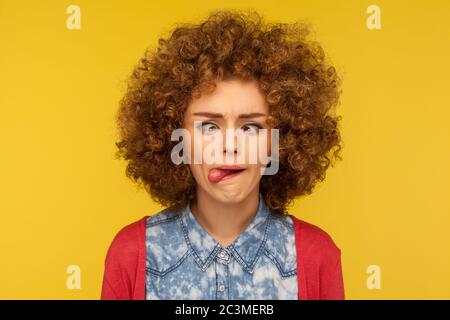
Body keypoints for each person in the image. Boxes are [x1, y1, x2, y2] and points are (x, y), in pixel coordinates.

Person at [101, 9, 344, 300]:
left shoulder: (317, 255)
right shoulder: (132, 253)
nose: (230, 145)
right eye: (209, 126)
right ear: (176, 137)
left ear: (278, 142)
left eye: (251, 126)